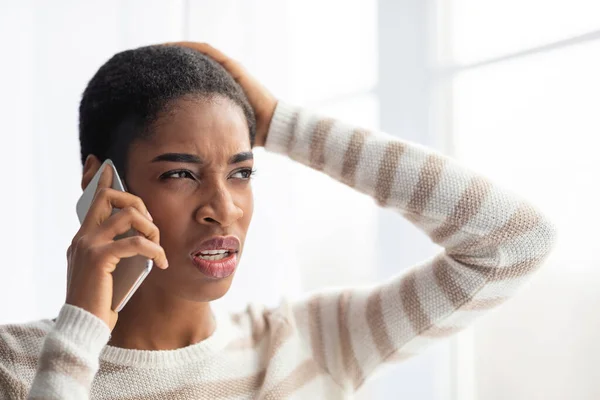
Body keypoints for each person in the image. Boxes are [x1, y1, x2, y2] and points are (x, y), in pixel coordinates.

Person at [0, 42, 556, 399]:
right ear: (101, 183)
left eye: (241, 172)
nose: (224, 207)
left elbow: (515, 240)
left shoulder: (311, 343)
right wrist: (79, 330)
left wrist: (283, 127)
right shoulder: (18, 366)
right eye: (180, 175)